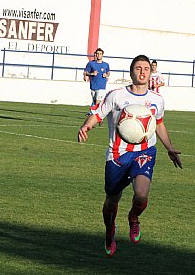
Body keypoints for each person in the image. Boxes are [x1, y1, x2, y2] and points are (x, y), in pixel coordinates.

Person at [77, 54, 182, 257]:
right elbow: (98, 113)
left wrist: (169, 147)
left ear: (150, 73)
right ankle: (110, 231)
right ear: (131, 71)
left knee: (141, 194)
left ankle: (133, 218)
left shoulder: (157, 100)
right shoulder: (116, 96)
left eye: (146, 69)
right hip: (118, 154)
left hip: (144, 152)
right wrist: (86, 126)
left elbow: (158, 123)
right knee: (111, 200)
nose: (142, 72)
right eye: (138, 68)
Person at [83, 48, 110, 112]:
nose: (98, 55)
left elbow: (108, 72)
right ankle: (93, 113)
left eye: (100, 54)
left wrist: (106, 75)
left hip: (102, 86)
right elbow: (86, 72)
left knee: (98, 101)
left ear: (102, 55)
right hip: (93, 85)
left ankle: (97, 116)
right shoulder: (91, 64)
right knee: (95, 102)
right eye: (97, 54)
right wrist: (92, 73)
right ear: (95, 54)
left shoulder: (106, 64)